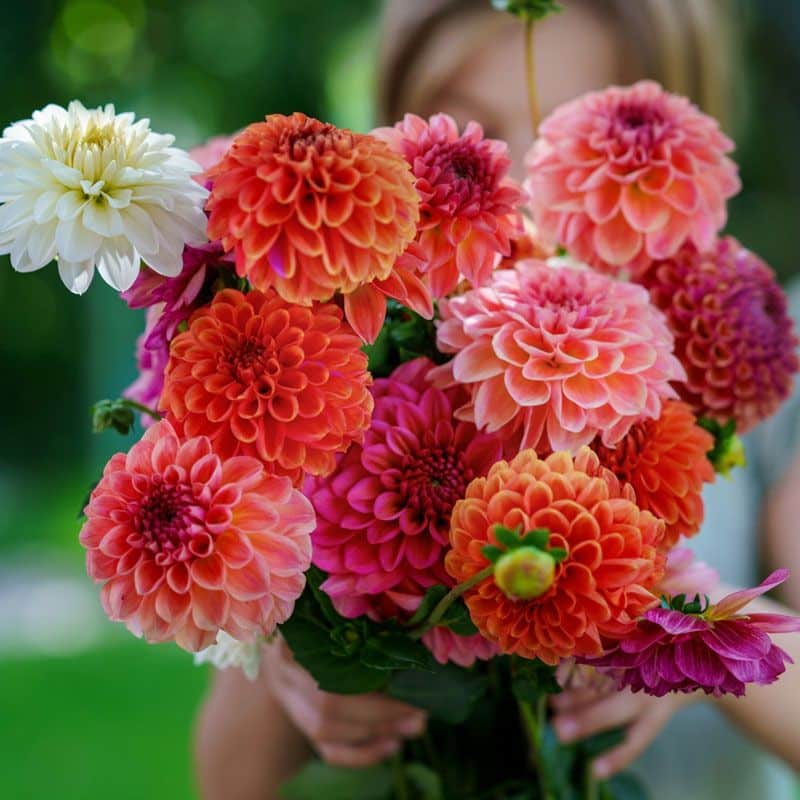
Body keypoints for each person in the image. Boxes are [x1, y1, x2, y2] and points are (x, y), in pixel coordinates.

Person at [194, 2, 800, 798]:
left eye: (565, 140)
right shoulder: (349, 372)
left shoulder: (763, 375)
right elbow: (225, 781)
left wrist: (703, 637)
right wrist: (293, 669)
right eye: (474, 129)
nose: (516, 185)